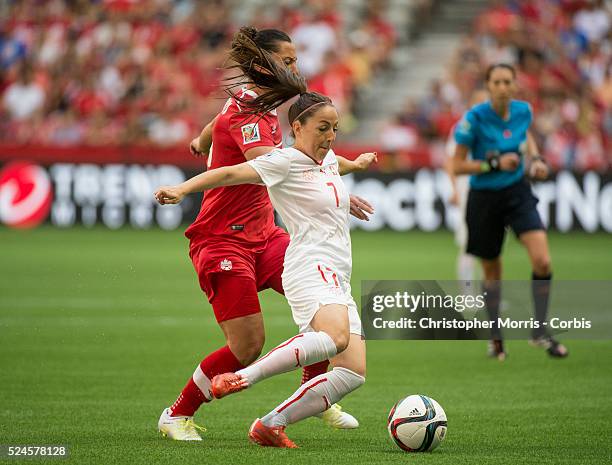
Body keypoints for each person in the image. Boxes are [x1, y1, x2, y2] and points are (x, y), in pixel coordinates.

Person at [157, 27, 373, 441]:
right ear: (262, 66)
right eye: (287, 62)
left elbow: (219, 123)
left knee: (319, 303)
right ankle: (176, 414)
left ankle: (313, 394)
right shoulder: (249, 114)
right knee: (247, 345)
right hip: (222, 239)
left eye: (295, 61)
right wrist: (339, 177)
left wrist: (201, 141)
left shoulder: (258, 105)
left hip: (266, 235)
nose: (296, 69)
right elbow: (284, 165)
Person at [452, 63, 568, 360]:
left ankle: (539, 330)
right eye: (497, 82)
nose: (503, 87)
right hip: (484, 198)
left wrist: (536, 158)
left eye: (507, 82)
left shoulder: (523, 111)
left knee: (542, 260)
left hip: (517, 193)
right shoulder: (473, 119)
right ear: (488, 86)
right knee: (493, 271)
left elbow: (525, 136)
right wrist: (493, 164)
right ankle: (496, 337)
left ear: (515, 85)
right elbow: (457, 165)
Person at [444, 89, 488, 288]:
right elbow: (451, 160)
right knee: (470, 242)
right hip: (468, 187)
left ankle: (489, 292)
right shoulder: (463, 127)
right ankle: (468, 292)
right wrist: (454, 189)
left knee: (490, 243)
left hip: (492, 188)